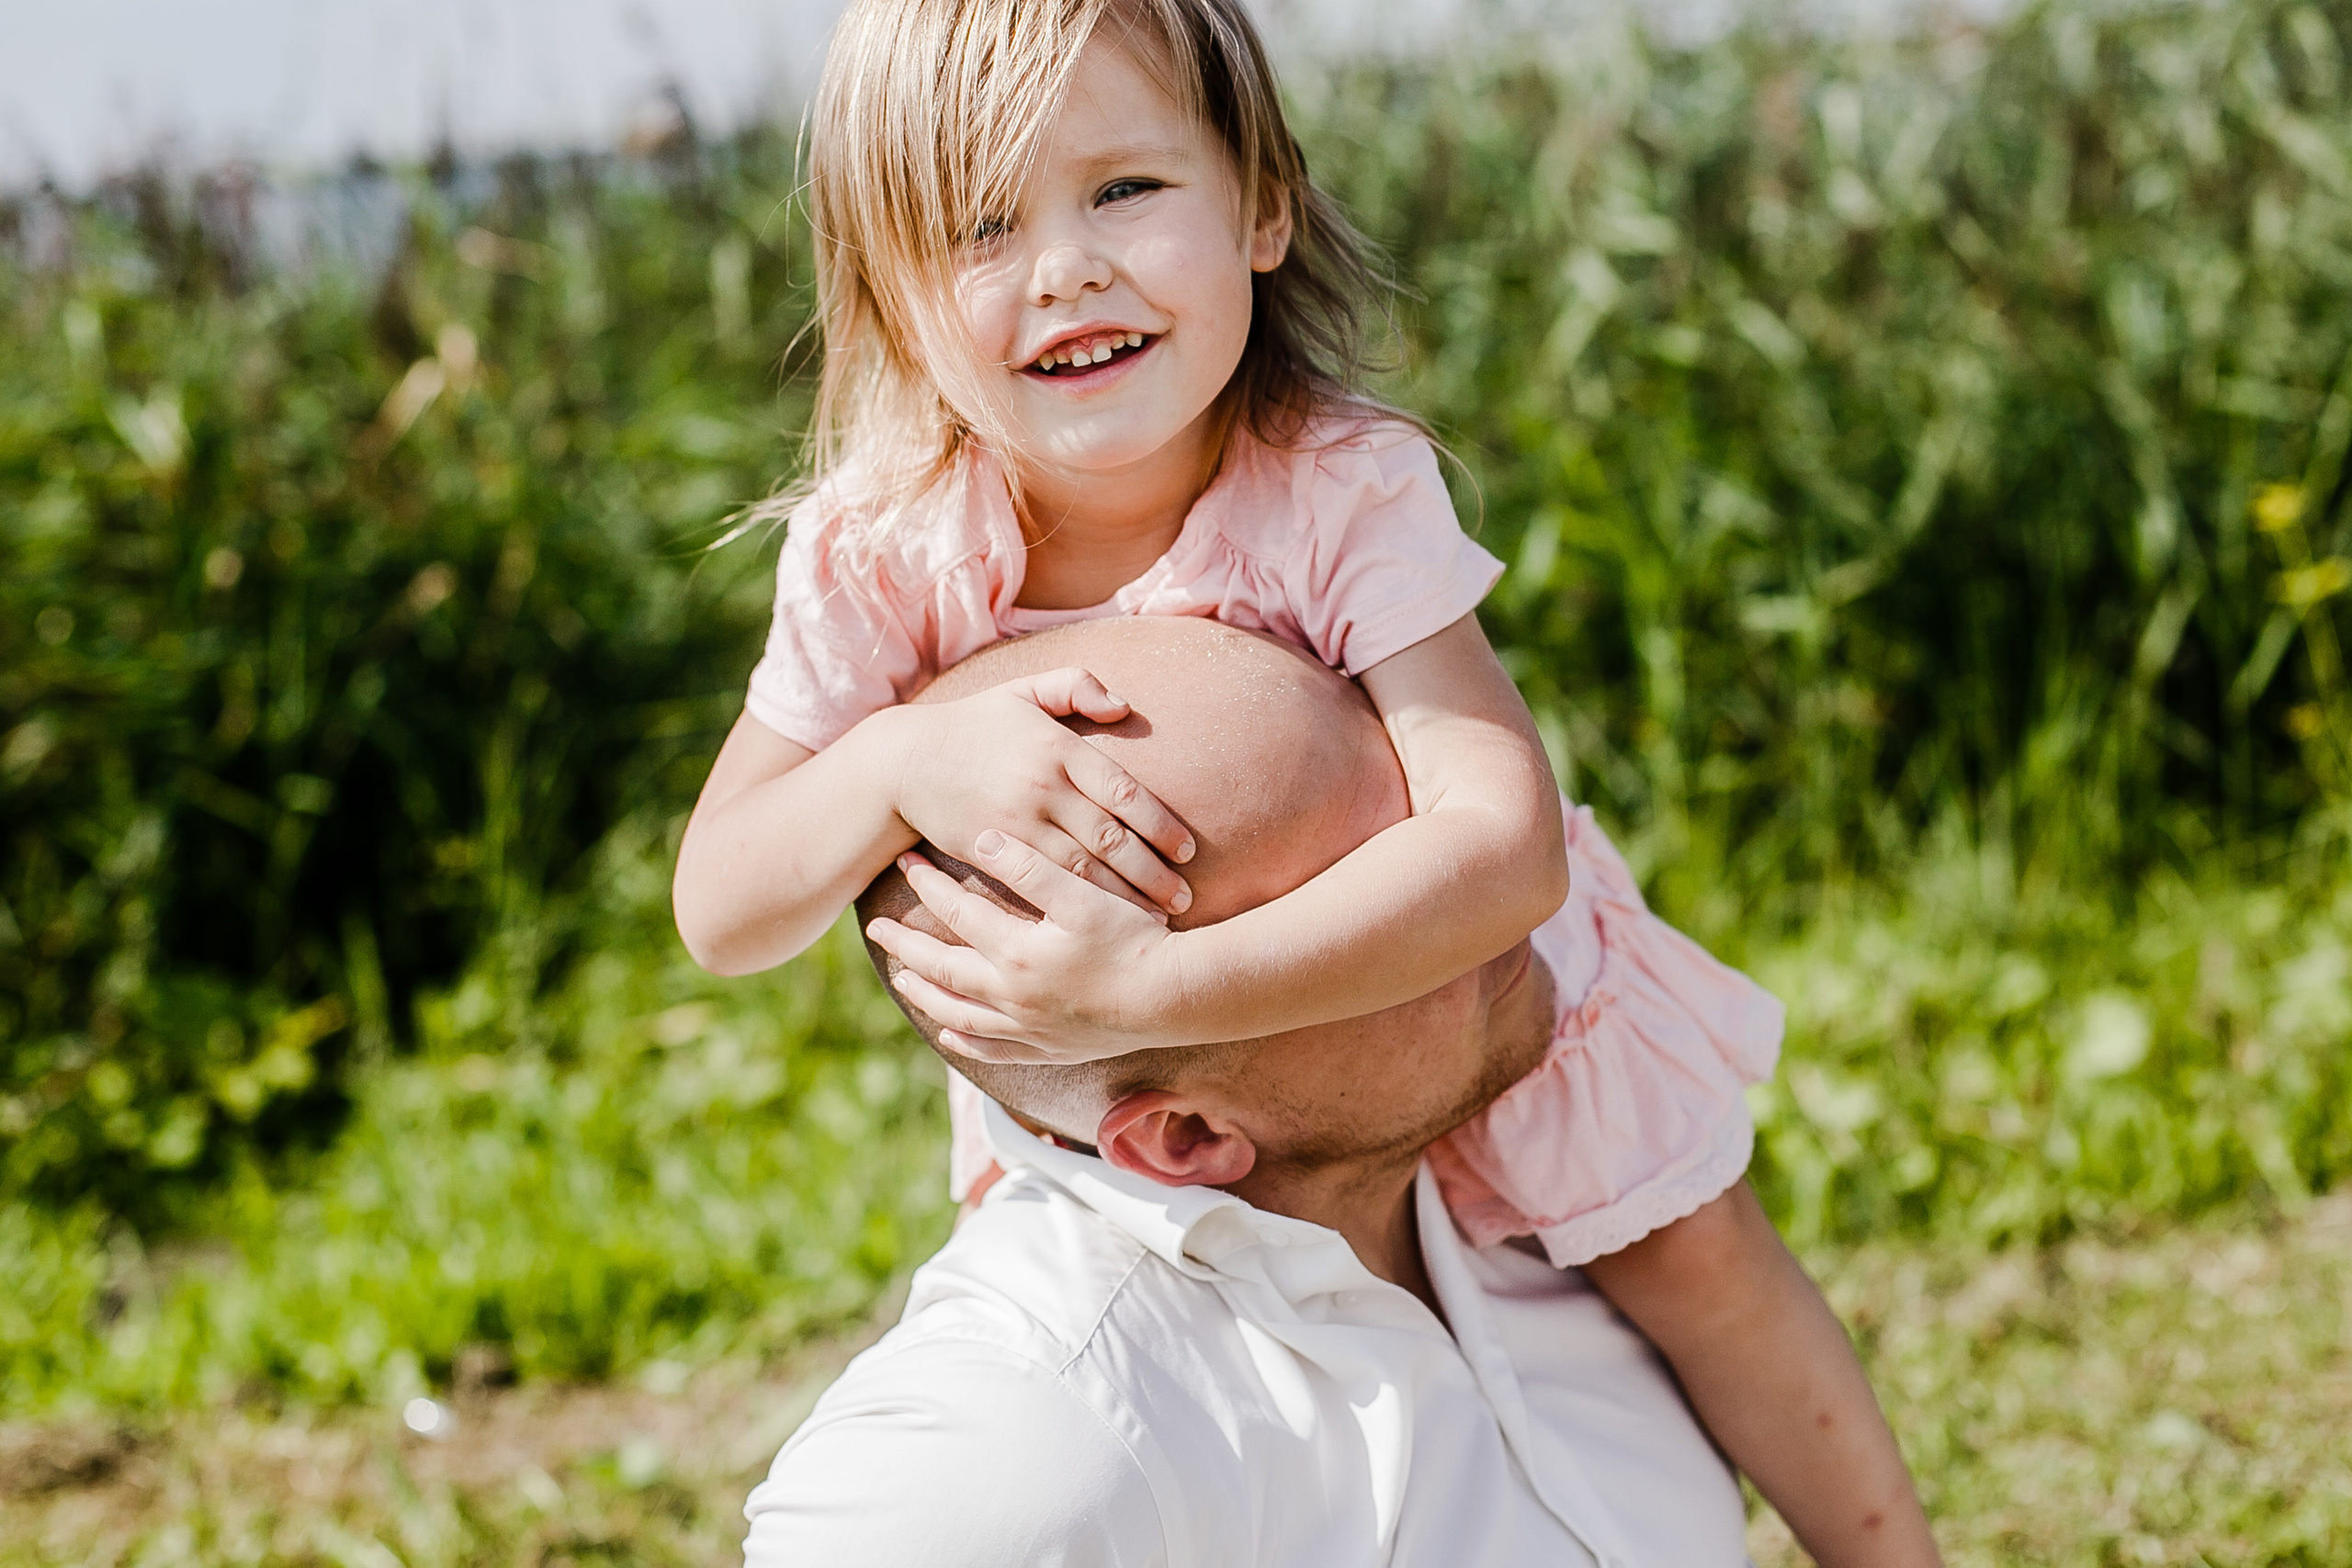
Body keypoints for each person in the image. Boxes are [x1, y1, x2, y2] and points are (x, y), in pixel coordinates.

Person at [675, 2, 1939, 1560]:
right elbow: (723, 909)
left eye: (1125, 190)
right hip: (1124, 1105)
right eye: (982, 224)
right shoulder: (887, 554)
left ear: (1261, 205)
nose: (1065, 264)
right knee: (1152, 1383)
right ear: (891, 292)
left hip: (1459, 1003)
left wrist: (1161, 979)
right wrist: (895, 753)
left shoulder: (1335, 486)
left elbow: (1503, 844)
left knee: (1699, 1267)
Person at [741, 617, 1937, 1566]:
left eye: (1415, 796)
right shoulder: (1051, 1421)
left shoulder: (1548, 1170)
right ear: (1189, 1136)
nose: (1479, 887)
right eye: (1357, 903)